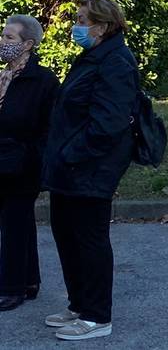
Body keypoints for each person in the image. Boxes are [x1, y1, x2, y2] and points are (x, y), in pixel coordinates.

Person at [43, 0, 139, 340]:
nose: (76, 26)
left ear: (103, 27)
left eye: (83, 20)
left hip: (90, 166)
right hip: (69, 165)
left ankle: (97, 315)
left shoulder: (116, 62)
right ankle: (79, 304)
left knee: (89, 238)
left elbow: (108, 123)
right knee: (66, 235)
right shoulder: (93, 55)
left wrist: (72, 153)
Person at [0, 16, 59, 312]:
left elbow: (50, 128)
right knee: (18, 222)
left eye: (10, 38)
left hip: (23, 164)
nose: (3, 42)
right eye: (3, 36)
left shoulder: (44, 80)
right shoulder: (3, 76)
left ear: (28, 45)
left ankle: (11, 288)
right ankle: (29, 280)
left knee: (13, 222)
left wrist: (31, 157)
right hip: (2, 161)